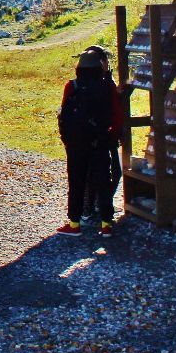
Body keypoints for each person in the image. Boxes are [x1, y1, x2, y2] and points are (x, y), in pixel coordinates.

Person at [56, 49, 119, 238]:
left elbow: (64, 114)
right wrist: (111, 136)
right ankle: (107, 225)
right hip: (100, 140)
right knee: (103, 181)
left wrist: (67, 138)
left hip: (76, 143)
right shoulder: (107, 86)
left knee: (76, 182)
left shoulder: (72, 86)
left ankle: (74, 225)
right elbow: (116, 114)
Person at [80, 45, 124, 226]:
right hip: (104, 136)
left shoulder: (78, 84)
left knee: (91, 173)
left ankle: (89, 209)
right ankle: (97, 208)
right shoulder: (105, 84)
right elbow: (114, 111)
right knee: (110, 172)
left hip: (87, 138)